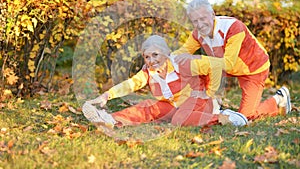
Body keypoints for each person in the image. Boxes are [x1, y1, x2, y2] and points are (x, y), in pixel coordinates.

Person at [82, 35, 248, 132]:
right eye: (147, 57)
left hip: (198, 102)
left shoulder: (183, 62)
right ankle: (110, 119)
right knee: (149, 106)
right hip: (174, 106)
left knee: (179, 119)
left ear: (167, 53)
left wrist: (210, 93)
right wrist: (107, 95)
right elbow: (131, 84)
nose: (151, 60)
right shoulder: (149, 71)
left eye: (155, 55)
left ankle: (224, 118)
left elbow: (215, 65)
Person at [173, 0, 291, 120]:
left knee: (246, 117)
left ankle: (278, 100)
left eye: (203, 19)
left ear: (213, 14)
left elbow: (228, 64)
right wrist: (162, 59)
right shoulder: (197, 33)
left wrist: (198, 59)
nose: (200, 24)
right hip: (225, 66)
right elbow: (182, 53)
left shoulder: (233, 27)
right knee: (192, 67)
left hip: (253, 68)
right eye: (195, 21)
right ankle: (206, 104)